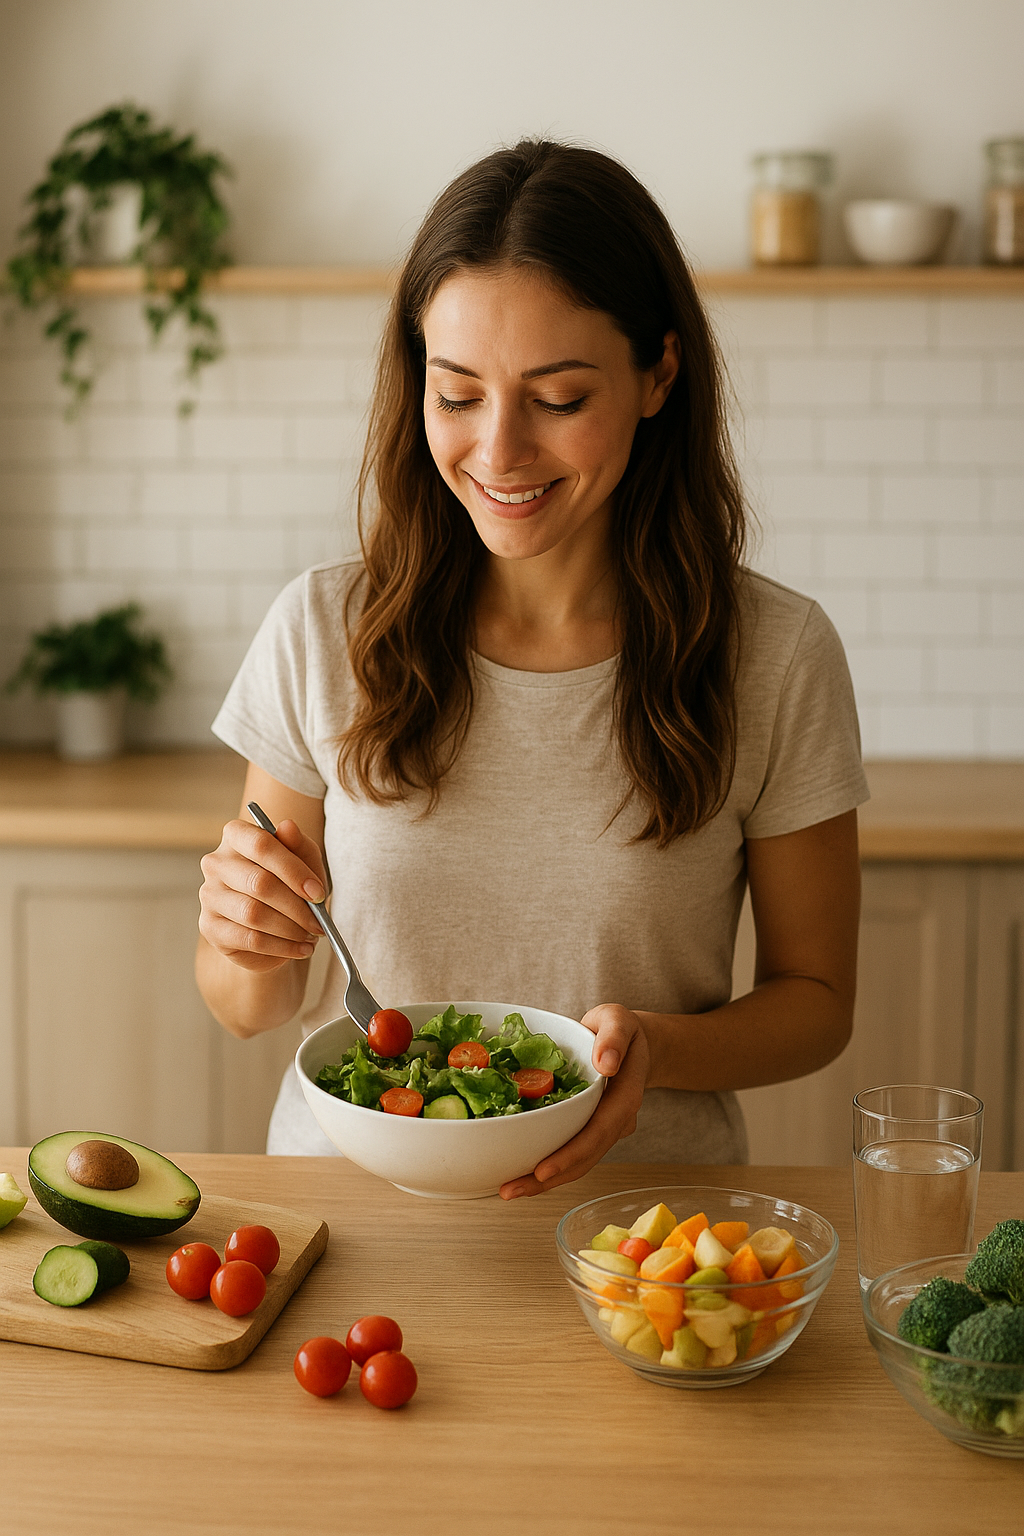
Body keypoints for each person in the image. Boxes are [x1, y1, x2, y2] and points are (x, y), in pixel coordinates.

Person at [196, 139, 868, 1196]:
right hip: (355, 1221)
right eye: (457, 394)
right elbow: (251, 1007)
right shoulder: (322, 628)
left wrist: (660, 1048)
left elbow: (816, 999)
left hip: (641, 1240)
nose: (499, 452)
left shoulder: (775, 657)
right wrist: (243, 936)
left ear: (658, 375)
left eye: (556, 399)